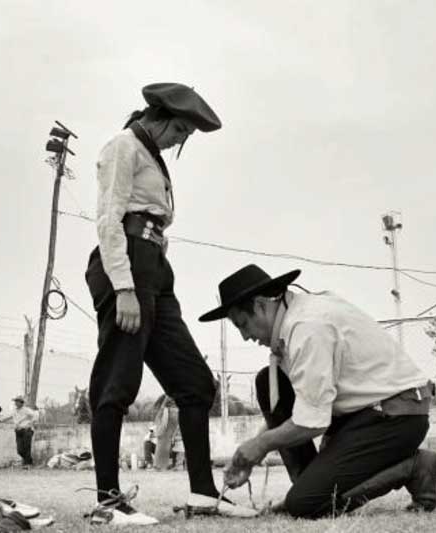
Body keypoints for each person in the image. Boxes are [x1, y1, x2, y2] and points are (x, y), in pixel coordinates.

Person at [84, 82, 255, 526]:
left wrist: (152, 269)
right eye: (179, 130)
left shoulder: (154, 158)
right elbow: (108, 218)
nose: (180, 140)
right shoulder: (124, 146)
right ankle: (107, 502)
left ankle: (203, 494)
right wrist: (123, 286)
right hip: (128, 264)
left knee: (196, 384)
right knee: (117, 382)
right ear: (157, 117)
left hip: (155, 268)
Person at [199, 265, 436, 519]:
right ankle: (310, 487)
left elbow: (311, 422)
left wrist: (260, 445)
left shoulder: (308, 328)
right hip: (362, 414)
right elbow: (307, 403)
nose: (245, 336)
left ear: (261, 305)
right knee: (267, 381)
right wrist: (253, 448)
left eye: (243, 324)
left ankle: (414, 467)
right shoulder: (297, 317)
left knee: (304, 505)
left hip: (395, 416)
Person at [3, 396, 36, 468]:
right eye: (15, 401)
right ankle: (28, 461)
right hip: (18, 430)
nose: (16, 403)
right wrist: (2, 420)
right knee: (19, 449)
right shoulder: (14, 411)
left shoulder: (26, 410)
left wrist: (29, 424)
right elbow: (10, 417)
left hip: (26, 430)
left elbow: (34, 416)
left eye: (17, 401)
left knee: (26, 447)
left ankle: (27, 464)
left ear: (22, 403)